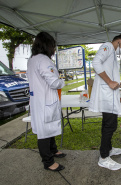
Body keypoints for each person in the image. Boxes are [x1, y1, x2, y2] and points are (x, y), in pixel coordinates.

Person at [89, 34, 121, 170]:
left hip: (109, 94)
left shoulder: (111, 53)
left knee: (107, 124)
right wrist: (109, 82)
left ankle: (108, 149)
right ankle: (104, 157)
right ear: (119, 42)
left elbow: (113, 76)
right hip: (107, 95)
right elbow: (95, 63)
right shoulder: (107, 47)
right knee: (110, 126)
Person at [27, 32, 66, 172]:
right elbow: (54, 82)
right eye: (53, 46)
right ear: (47, 45)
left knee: (48, 129)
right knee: (44, 132)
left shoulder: (32, 59)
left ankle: (53, 150)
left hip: (39, 100)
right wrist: (62, 81)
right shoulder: (43, 60)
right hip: (45, 101)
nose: (54, 49)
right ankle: (48, 162)